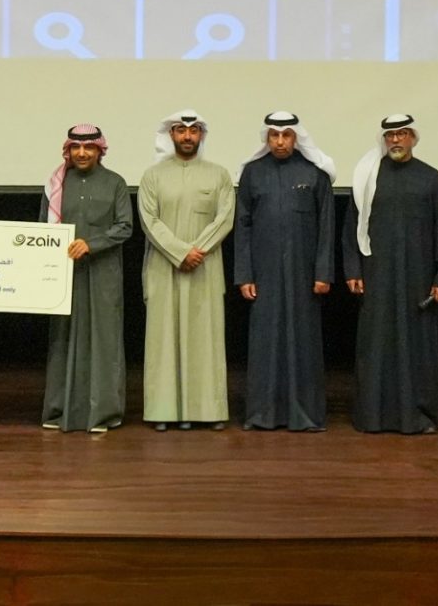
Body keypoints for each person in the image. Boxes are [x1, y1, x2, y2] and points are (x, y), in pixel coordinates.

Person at [343, 115, 438, 434]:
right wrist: (352, 269)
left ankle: (418, 415)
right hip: (375, 275)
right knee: (376, 345)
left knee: (416, 346)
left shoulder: (431, 178)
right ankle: (373, 416)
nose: (396, 140)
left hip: (419, 278)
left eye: (402, 134)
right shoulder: (367, 176)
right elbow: (351, 229)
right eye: (390, 135)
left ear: (413, 138)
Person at [233, 112, 336, 432]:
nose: (280, 142)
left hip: (304, 275)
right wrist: (244, 275)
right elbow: (242, 227)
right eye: (274, 136)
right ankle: (262, 414)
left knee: (303, 343)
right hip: (264, 275)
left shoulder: (314, 173)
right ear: (266, 138)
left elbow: (326, 227)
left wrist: (323, 273)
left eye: (286, 135)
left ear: (296, 138)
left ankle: (305, 415)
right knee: (265, 342)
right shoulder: (253, 173)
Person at [138, 110, 235, 431]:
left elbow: (225, 218)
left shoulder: (219, 175)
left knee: (205, 341)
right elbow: (149, 220)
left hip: (205, 268)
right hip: (164, 267)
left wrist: (197, 251)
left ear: (201, 135)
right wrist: (180, 253)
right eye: (181, 130)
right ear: (171, 135)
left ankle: (208, 411)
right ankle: (162, 412)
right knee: (163, 341)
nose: (187, 136)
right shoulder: (153, 176)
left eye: (193, 131)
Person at [39, 124, 132, 433]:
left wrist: (92, 244)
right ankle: (59, 410)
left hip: (103, 274)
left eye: (88, 147)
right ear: (68, 150)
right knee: (62, 339)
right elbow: (42, 230)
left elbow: (125, 227)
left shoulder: (115, 183)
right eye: (76, 148)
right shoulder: (56, 185)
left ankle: (103, 414)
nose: (81, 153)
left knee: (103, 341)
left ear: (99, 150)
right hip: (62, 274)